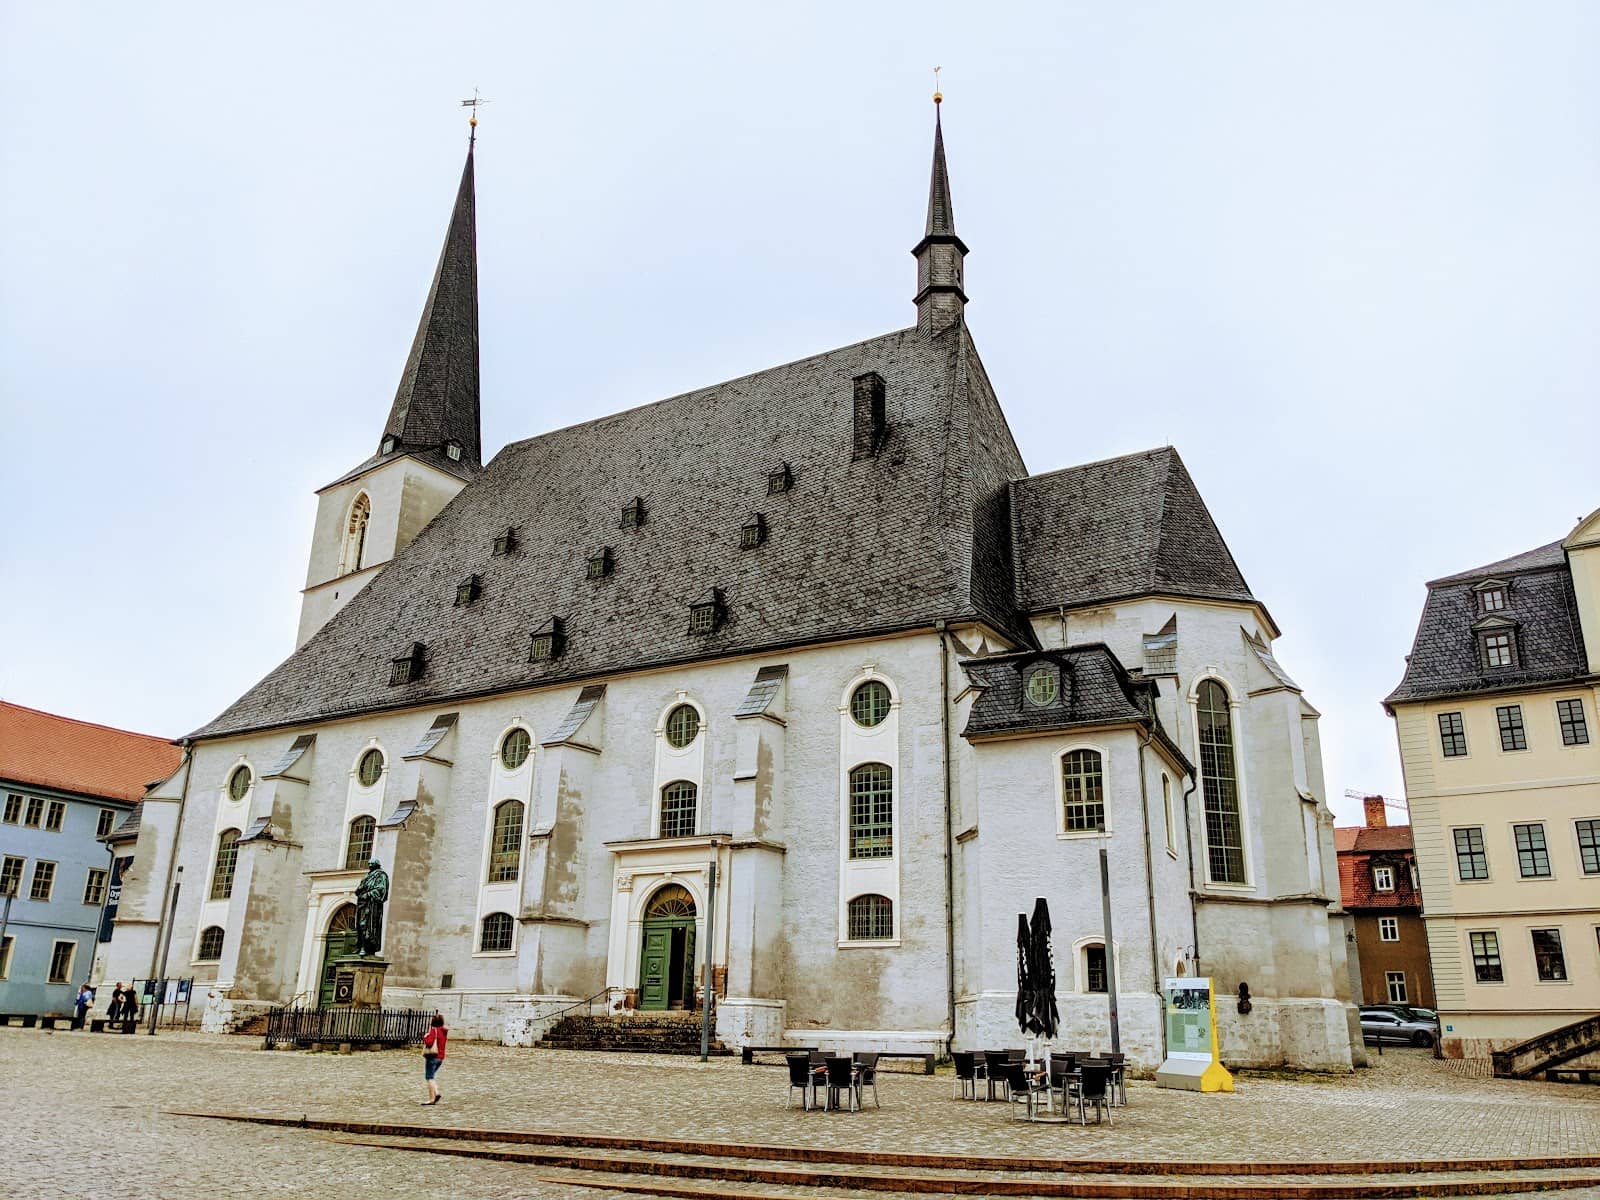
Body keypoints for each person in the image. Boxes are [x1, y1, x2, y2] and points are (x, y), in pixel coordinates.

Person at [421, 1013, 447, 1105]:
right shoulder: (444, 1031)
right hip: (440, 1058)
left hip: (432, 1056)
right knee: (431, 1077)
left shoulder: (434, 1031)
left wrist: (425, 1037)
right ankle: (437, 1093)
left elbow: (429, 1043)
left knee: (429, 1077)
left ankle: (432, 1099)